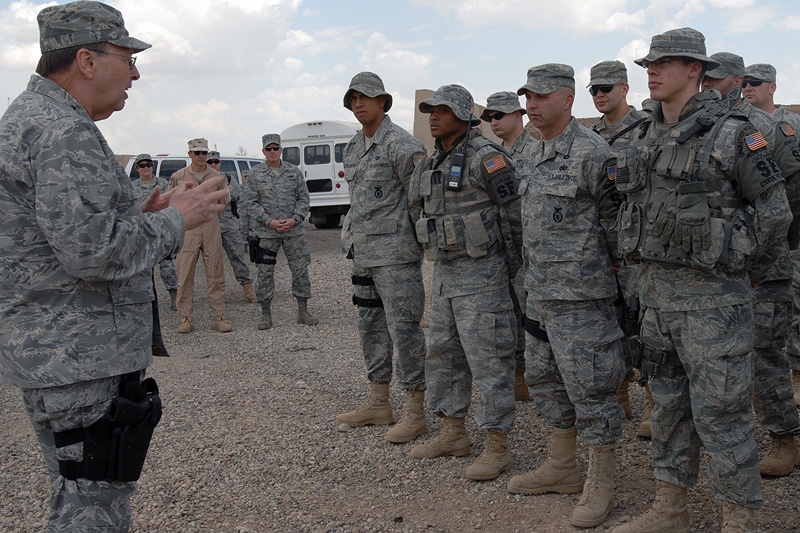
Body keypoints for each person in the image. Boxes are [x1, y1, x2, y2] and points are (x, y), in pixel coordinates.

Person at [0, 2, 228, 530]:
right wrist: (179, 219)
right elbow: (93, 254)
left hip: (59, 354)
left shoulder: (33, 119)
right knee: (91, 508)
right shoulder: (63, 131)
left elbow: (60, 230)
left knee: (75, 494)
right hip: (82, 358)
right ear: (86, 60)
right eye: (127, 57)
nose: (136, 72)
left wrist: (138, 211)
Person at [611, 28, 791, 533]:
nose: (653, 70)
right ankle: (670, 509)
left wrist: (747, 271)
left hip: (714, 305)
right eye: (650, 62)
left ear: (695, 70)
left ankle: (741, 518)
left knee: (723, 414)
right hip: (656, 302)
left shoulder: (734, 132)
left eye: (666, 62)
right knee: (667, 408)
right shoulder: (644, 135)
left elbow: (775, 214)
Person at [509, 64, 626, 529]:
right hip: (539, 293)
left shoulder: (594, 153)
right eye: (528, 98)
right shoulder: (530, 152)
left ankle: (603, 481)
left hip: (583, 299)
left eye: (540, 97)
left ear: (567, 99)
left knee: (593, 390)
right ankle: (562, 466)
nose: (531, 106)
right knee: (542, 378)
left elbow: (620, 229)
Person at [407, 84, 522, 481]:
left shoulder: (487, 159)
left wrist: (511, 272)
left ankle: (497, 445)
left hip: (483, 279)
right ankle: (453, 433)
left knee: (489, 361)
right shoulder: (433, 162)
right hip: (445, 276)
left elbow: (516, 218)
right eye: (430, 111)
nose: (433, 116)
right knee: (443, 356)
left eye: (442, 110)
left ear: (462, 114)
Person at [704, 53, 800, 478]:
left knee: (764, 354)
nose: (710, 84)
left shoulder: (760, 129)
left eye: (718, 79)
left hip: (764, 267)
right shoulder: (705, 125)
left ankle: (784, 438)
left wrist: (763, 259)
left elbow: (789, 200)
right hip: (720, 268)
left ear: (738, 80)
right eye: (705, 76)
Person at [335, 72, 429, 443]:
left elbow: (419, 201)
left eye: (366, 98)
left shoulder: (403, 146)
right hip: (363, 254)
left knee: (404, 330)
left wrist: (420, 246)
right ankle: (378, 400)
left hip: (396, 257)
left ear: (383, 102)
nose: (359, 104)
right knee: (370, 326)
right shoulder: (353, 147)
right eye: (353, 98)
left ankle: (415, 410)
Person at [588, 59, 652, 435]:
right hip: (599, 248)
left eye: (605, 88)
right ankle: (620, 393)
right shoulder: (590, 135)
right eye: (593, 90)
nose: (599, 95)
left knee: (641, 324)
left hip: (635, 250)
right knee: (609, 326)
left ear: (625, 88)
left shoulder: (645, 130)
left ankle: (652, 404)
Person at [742, 63, 800, 409]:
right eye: (744, 82)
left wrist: (787, 238)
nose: (748, 88)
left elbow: (793, 187)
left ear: (772, 87)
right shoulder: (743, 125)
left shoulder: (786, 124)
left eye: (755, 83)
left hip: (786, 237)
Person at [479, 91, 535, 403]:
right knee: (508, 319)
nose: (494, 122)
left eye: (499, 115)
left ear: (518, 115)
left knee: (537, 320)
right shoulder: (491, 156)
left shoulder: (538, 152)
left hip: (530, 252)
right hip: (503, 253)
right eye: (490, 117)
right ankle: (519, 378)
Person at [246, 134, 318, 329]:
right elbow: (250, 203)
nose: (272, 152)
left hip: (294, 232)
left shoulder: (293, 172)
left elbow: (304, 198)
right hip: (267, 233)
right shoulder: (254, 174)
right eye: (268, 149)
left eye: (275, 148)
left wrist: (295, 219)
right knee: (265, 273)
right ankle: (265, 314)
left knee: (300, 270)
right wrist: (270, 222)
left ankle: (303, 311)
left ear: (281, 150)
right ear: (263, 151)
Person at [169, 138, 233, 333]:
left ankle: (219, 317)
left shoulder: (217, 177)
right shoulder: (179, 177)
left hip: (210, 227)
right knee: (185, 274)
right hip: (188, 229)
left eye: (204, 153)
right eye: (196, 153)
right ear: (189, 154)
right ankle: (186, 318)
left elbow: (223, 202)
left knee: (215, 273)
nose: (201, 156)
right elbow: (171, 203)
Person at [206, 150, 257, 304]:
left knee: (238, 256)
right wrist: (223, 193)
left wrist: (213, 195)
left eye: (216, 161)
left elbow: (233, 195)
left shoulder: (228, 178)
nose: (213, 164)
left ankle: (247, 287)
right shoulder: (201, 180)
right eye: (210, 162)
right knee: (211, 261)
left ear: (220, 162)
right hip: (208, 225)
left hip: (228, 224)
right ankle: (216, 294)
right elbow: (199, 198)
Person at [131, 153, 179, 310]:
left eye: (149, 165)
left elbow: (170, 204)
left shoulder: (163, 184)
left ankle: (174, 296)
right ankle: (147, 301)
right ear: (137, 168)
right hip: (143, 231)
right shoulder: (132, 188)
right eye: (142, 166)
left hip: (160, 230)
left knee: (167, 266)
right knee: (144, 268)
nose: (146, 168)